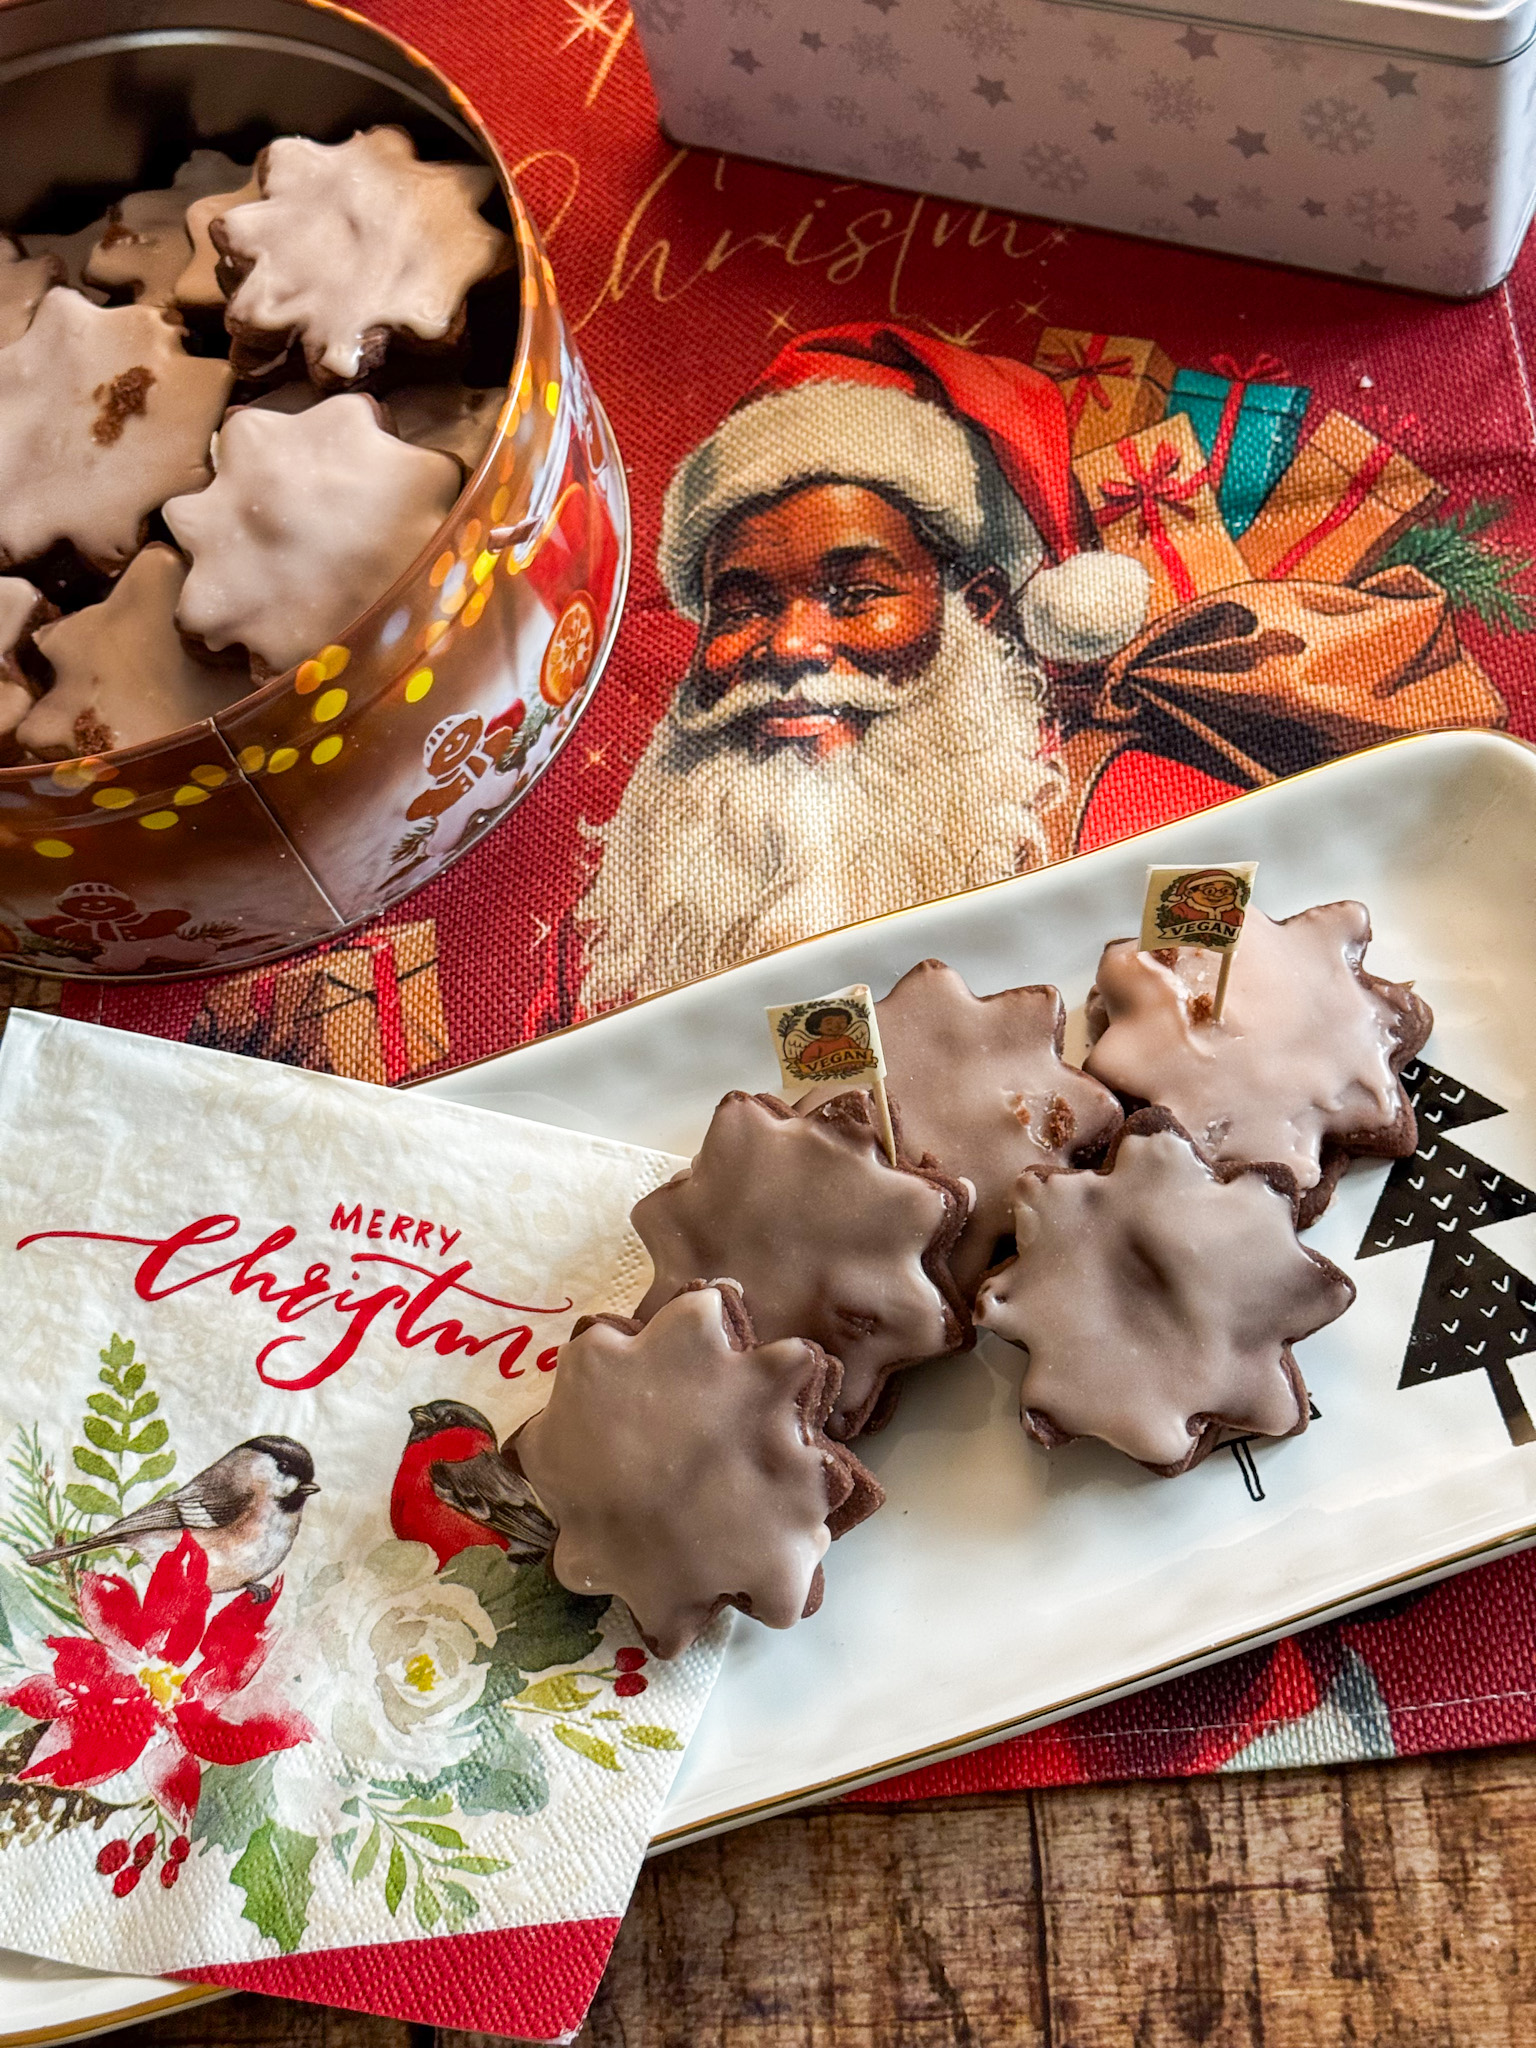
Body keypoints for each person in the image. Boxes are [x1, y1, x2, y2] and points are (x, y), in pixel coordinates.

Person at [577, 323, 1151, 1014]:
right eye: (740, 609)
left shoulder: (1130, 822)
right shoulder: (629, 912)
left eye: (857, 596)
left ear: (980, 608)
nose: (791, 646)